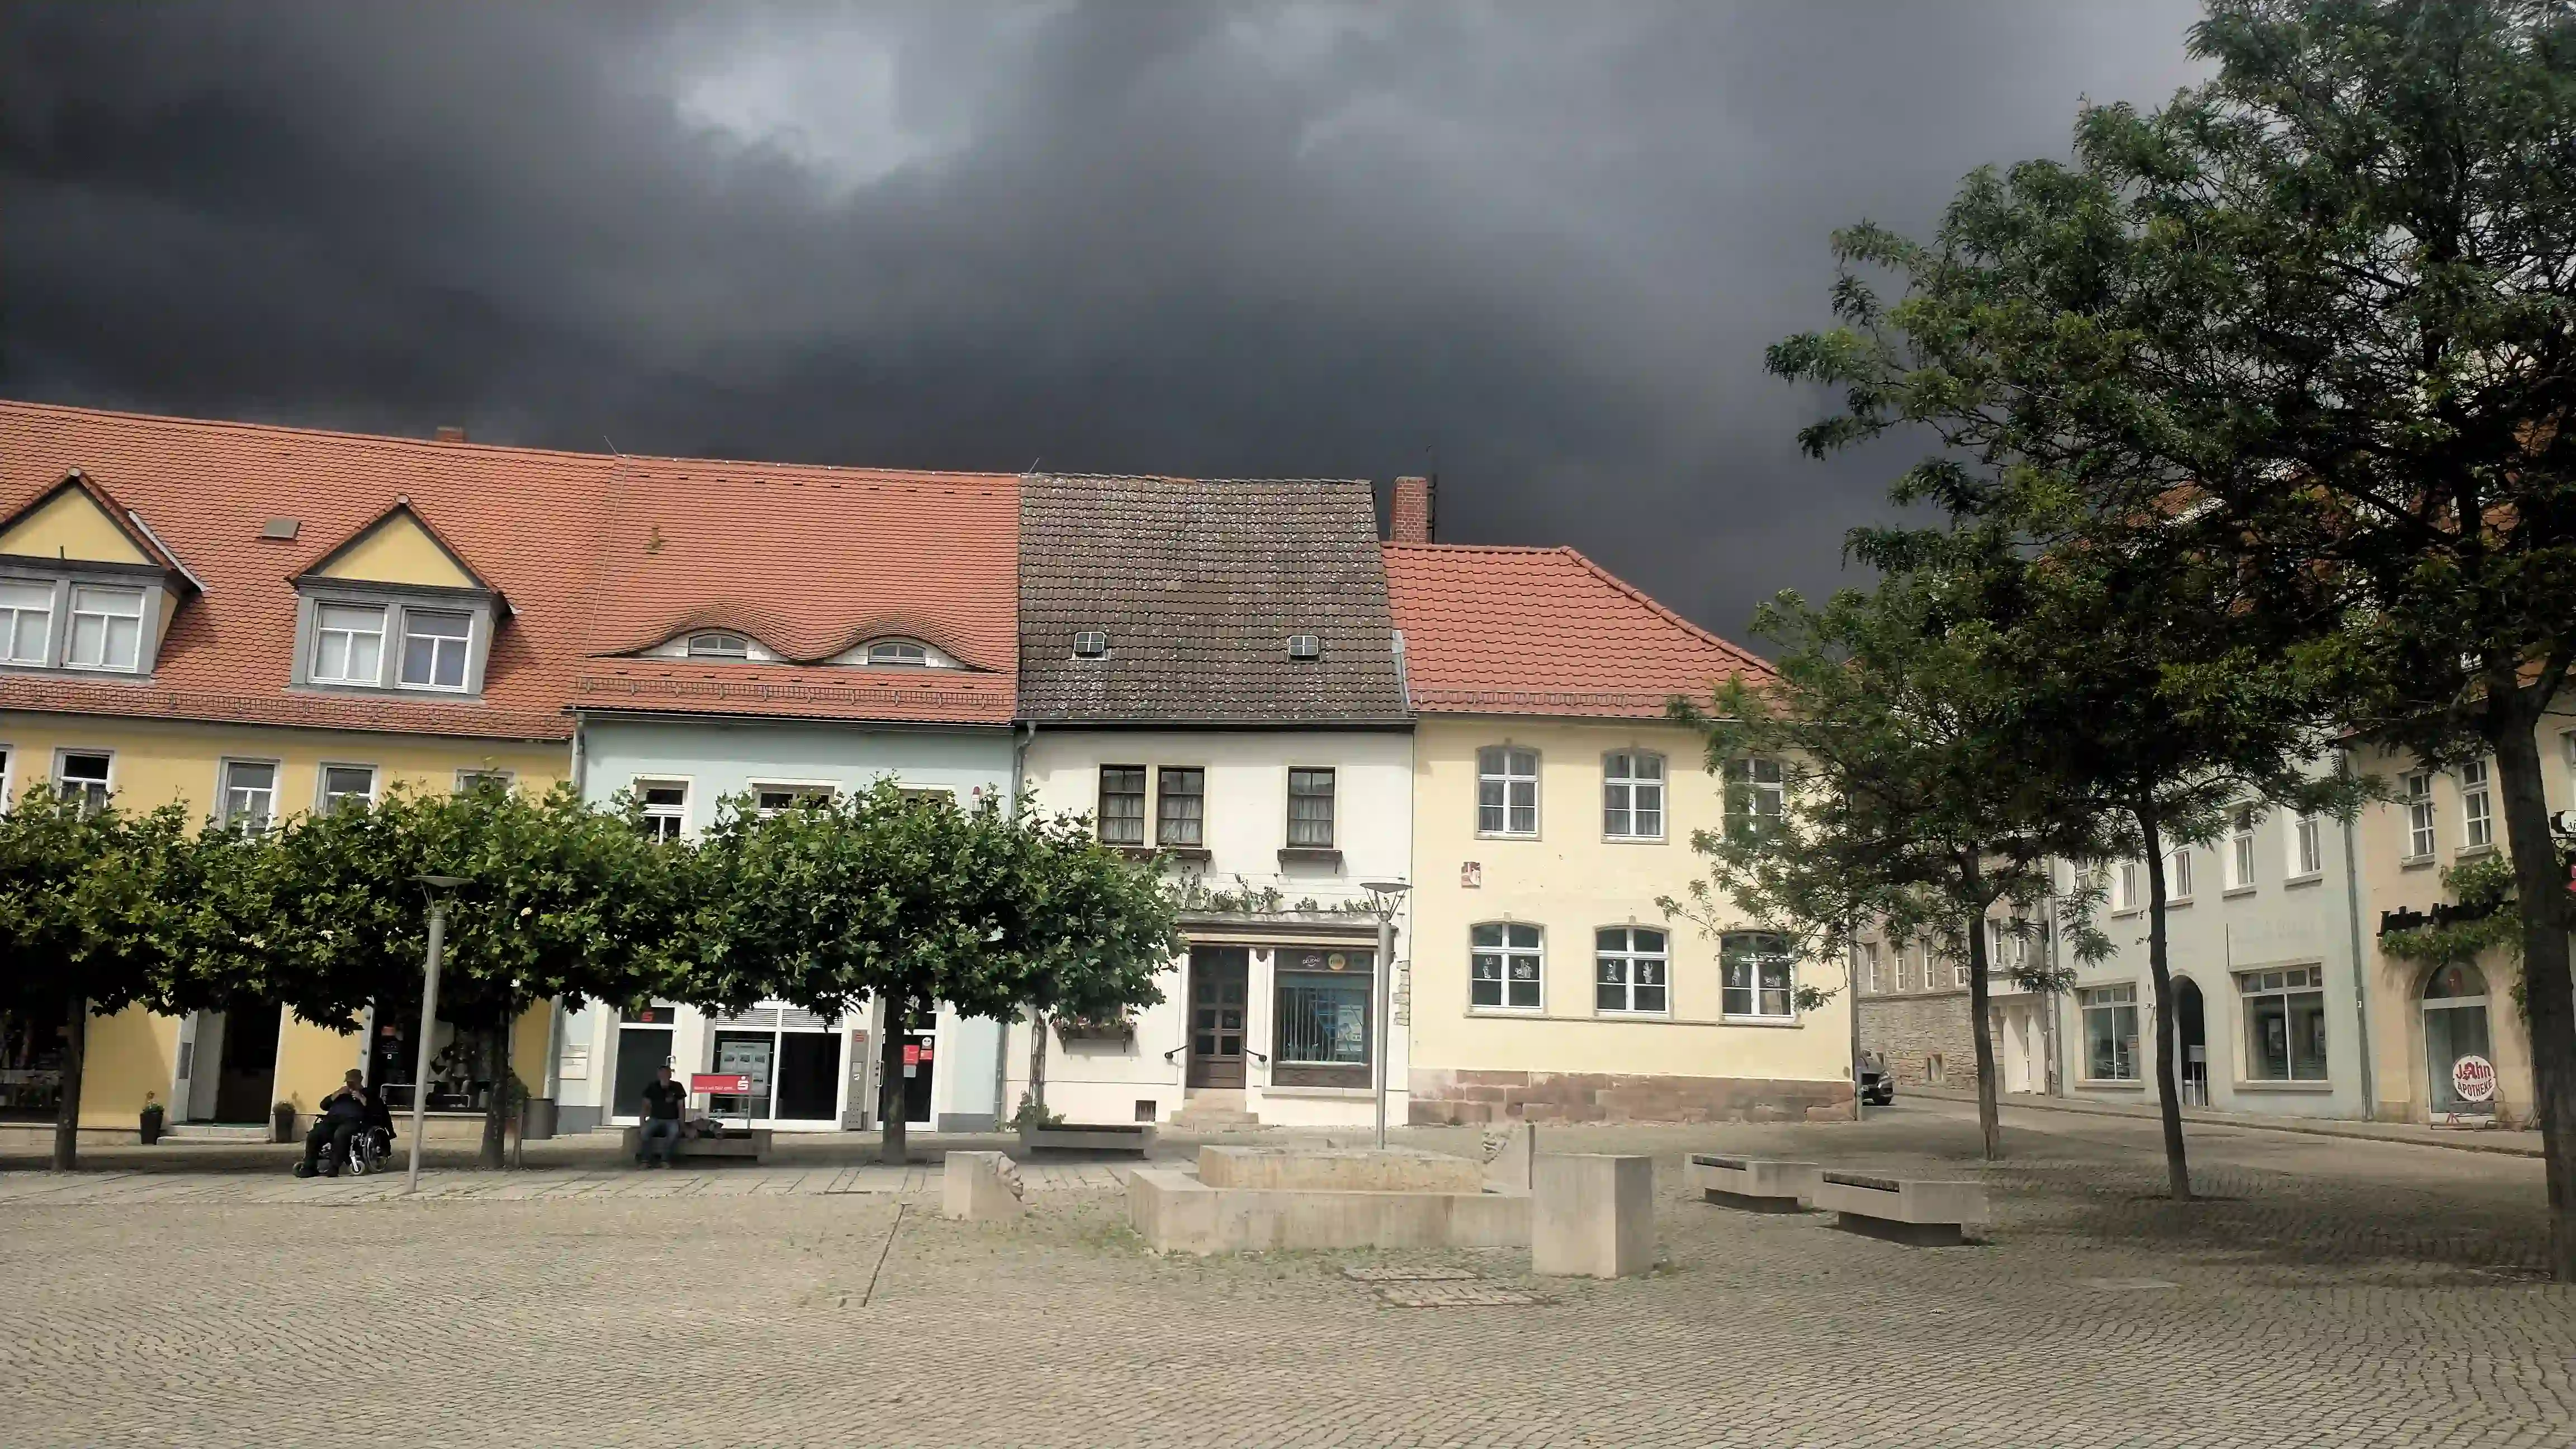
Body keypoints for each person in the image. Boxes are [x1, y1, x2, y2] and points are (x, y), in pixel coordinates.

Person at [295, 1070, 372, 1178]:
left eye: (352, 1082)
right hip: (332, 1120)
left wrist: (361, 1099)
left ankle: (334, 1167)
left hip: (352, 1121)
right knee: (314, 1135)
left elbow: (374, 1111)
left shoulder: (367, 1093)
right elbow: (323, 1105)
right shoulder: (341, 1093)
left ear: (360, 1080)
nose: (350, 1085)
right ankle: (309, 1167)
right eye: (348, 1082)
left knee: (340, 1134)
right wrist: (336, 1094)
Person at [636, 1064, 686, 1168]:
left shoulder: (677, 1087)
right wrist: (642, 1123)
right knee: (645, 1133)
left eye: (667, 1073)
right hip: (655, 1119)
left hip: (672, 1119)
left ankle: (665, 1160)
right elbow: (645, 1106)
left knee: (674, 1133)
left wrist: (682, 1124)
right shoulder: (652, 1087)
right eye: (662, 1073)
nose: (664, 1075)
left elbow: (681, 1107)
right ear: (658, 1075)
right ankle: (645, 1160)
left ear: (670, 1075)